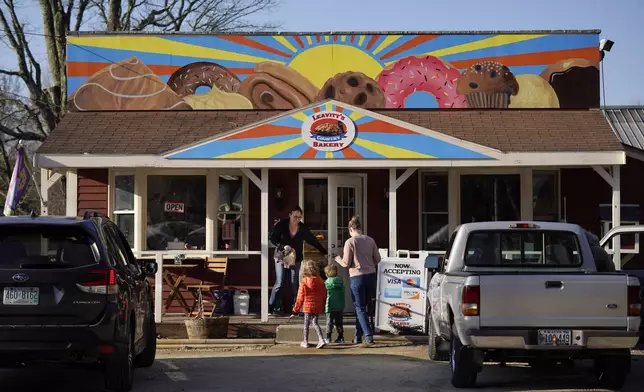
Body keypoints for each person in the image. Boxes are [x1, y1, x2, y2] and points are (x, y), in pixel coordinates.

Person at [269, 206, 328, 315]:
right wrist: (281, 246)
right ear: (290, 215)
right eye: (295, 217)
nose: (297, 219)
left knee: (294, 282)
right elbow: (272, 239)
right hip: (281, 256)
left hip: (296, 258)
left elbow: (313, 240)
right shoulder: (281, 225)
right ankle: (270, 307)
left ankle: (295, 309)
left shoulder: (302, 228)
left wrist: (324, 252)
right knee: (279, 282)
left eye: (299, 217)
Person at [335, 216, 381, 346]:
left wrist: (337, 259)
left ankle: (368, 335)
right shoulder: (370, 240)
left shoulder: (350, 242)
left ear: (351, 229)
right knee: (363, 307)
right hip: (371, 275)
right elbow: (377, 259)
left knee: (359, 307)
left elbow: (345, 263)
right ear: (360, 228)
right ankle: (358, 336)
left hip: (357, 277)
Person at [293, 260, 327, 349]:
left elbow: (300, 296)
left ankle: (305, 341)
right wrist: (323, 304)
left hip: (307, 307)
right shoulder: (320, 280)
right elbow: (324, 294)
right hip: (317, 306)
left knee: (306, 324)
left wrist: (296, 308)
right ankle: (321, 339)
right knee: (315, 323)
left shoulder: (304, 281)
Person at [324, 263, 345, 344]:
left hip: (330, 306)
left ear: (326, 274)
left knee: (329, 322)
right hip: (340, 305)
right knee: (339, 323)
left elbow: (325, 294)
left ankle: (328, 337)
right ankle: (341, 337)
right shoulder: (341, 281)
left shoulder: (326, 282)